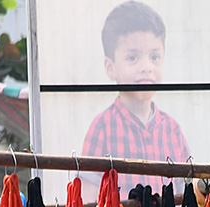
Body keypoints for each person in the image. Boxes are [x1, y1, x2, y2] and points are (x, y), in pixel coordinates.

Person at [81, 0, 191, 193]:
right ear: (110, 67)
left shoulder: (173, 130)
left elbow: (187, 195)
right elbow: (89, 199)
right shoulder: (102, 128)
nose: (146, 67)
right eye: (133, 58)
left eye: (154, 57)